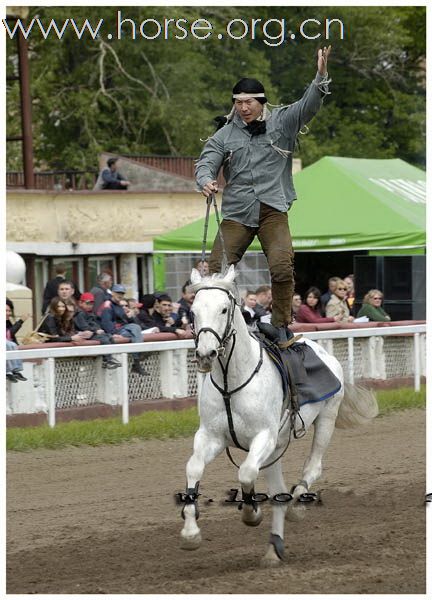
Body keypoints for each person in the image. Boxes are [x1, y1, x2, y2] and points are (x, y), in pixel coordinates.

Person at [195, 46, 332, 342]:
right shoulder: (224, 135)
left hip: (272, 209)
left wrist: (320, 76)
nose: (244, 107)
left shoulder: (283, 122)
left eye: (249, 102)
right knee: (215, 271)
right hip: (236, 213)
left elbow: (308, 105)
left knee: (282, 267)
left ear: (261, 102)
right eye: (239, 102)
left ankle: (281, 326)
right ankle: (221, 326)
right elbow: (206, 162)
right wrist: (205, 180)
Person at [100, 284, 146, 375]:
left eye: (122, 293)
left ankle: (136, 362)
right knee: (135, 328)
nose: (120, 295)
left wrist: (131, 316)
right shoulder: (108, 304)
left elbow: (126, 321)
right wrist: (112, 333)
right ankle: (138, 357)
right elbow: (106, 322)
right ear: (112, 293)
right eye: (118, 292)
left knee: (135, 332)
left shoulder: (119, 306)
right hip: (112, 332)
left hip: (122, 330)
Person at [74, 292, 121, 369]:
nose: (90, 305)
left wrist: (99, 330)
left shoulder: (90, 313)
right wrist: (96, 330)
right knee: (105, 339)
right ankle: (107, 360)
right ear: (80, 303)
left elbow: (95, 324)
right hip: (84, 335)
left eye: (92, 303)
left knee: (110, 337)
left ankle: (110, 358)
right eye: (88, 303)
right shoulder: (80, 313)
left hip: (92, 333)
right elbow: (83, 326)